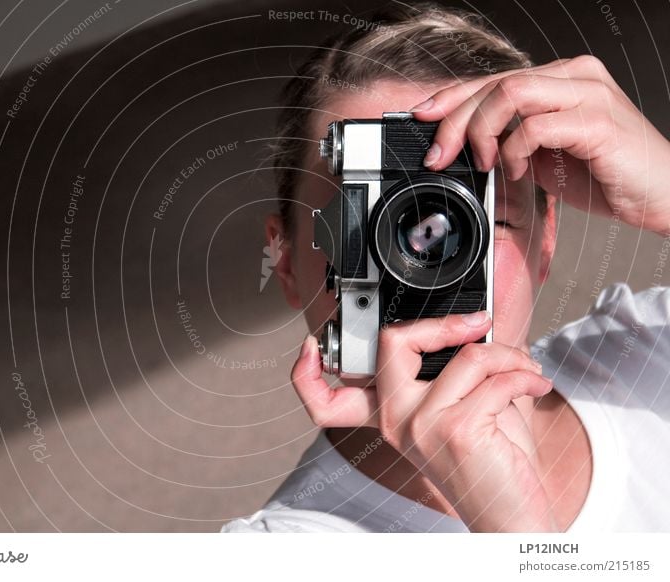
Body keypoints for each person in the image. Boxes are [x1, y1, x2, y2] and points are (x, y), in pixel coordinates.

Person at [221, 3, 670, 532]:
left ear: (544, 244)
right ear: (287, 260)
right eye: (360, 215)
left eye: (473, 218)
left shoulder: (650, 356)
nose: (419, 253)